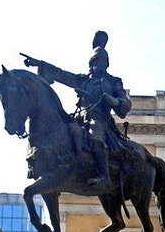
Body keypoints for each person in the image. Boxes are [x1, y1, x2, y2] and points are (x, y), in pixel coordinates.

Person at [23, 30, 132, 187]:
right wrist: (38, 63)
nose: (97, 65)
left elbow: (125, 103)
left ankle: (104, 176)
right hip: (79, 117)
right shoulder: (82, 80)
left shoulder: (113, 82)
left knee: (95, 136)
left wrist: (114, 101)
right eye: (94, 62)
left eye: (101, 62)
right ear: (90, 63)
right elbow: (60, 74)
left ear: (106, 63)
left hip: (99, 119)